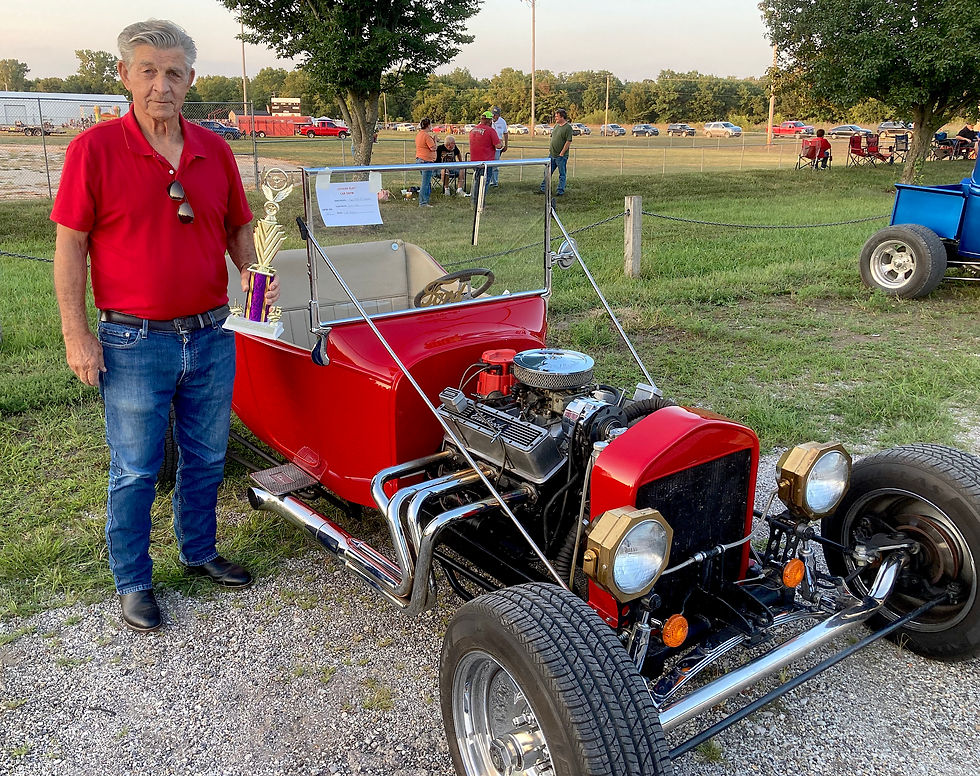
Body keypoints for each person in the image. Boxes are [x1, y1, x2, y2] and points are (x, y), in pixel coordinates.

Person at [50, 19, 278, 633]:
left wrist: (253, 277)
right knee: (136, 467)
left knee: (207, 456)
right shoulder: (94, 150)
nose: (161, 85)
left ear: (191, 79)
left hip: (210, 333)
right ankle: (133, 580)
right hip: (132, 340)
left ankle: (198, 552)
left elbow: (238, 227)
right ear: (124, 75)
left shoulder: (215, 149)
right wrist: (76, 334)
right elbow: (70, 246)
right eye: (148, 71)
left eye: (173, 73)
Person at [468, 110, 501, 206]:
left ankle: (474, 201)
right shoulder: (490, 131)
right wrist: (501, 142)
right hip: (486, 161)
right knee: (484, 183)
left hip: (474, 160)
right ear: (489, 120)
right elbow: (498, 145)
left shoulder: (473, 130)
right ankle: (480, 203)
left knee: (476, 181)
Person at [540, 108, 572, 196]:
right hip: (552, 154)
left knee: (562, 174)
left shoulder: (568, 128)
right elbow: (553, 137)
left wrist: (562, 153)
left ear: (562, 117)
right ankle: (543, 189)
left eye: (557, 116)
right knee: (547, 172)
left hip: (561, 156)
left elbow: (568, 141)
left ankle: (560, 191)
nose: (555, 118)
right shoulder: (556, 126)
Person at [414, 117, 437, 207]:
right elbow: (433, 148)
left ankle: (425, 200)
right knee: (425, 183)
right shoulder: (426, 136)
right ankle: (423, 202)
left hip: (419, 159)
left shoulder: (419, 134)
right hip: (426, 161)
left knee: (426, 182)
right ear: (428, 125)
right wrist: (435, 140)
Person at [488, 106, 509, 187]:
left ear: (499, 115)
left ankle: (494, 182)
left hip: (497, 147)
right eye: (493, 114)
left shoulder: (502, 122)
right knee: (488, 164)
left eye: (495, 115)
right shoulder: (488, 121)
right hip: (489, 146)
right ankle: (488, 181)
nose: (493, 116)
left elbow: (505, 133)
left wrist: (506, 145)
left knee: (495, 165)